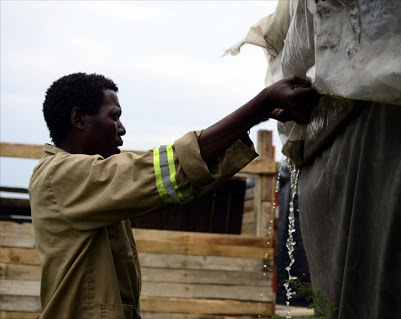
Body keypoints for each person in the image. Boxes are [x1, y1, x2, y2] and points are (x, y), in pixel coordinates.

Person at [28, 72, 319, 319]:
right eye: (114, 117)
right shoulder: (61, 176)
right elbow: (172, 167)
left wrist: (258, 116)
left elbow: (187, 178)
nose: (122, 129)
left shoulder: (88, 185)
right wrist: (261, 104)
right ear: (78, 119)